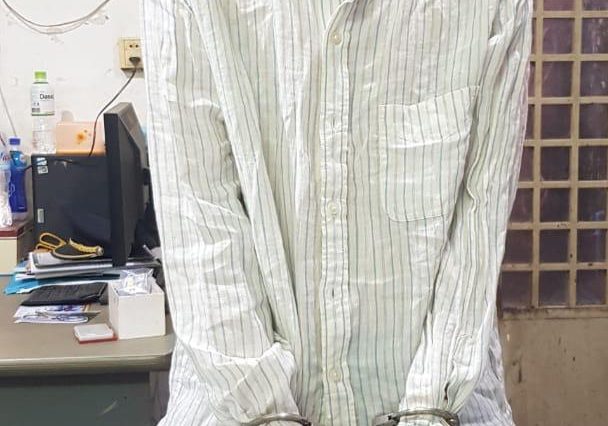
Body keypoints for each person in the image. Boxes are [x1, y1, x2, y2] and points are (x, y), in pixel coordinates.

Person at [143, 0, 531, 424]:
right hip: (234, 394)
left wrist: (428, 412)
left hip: (441, 389)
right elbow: (200, 222)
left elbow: (479, 215)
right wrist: (265, 412)